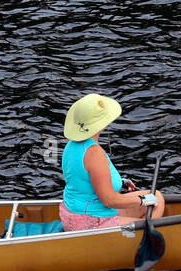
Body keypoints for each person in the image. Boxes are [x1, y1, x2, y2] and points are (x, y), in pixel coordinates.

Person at [59, 93, 165, 230]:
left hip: (72, 215)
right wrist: (143, 200)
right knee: (156, 200)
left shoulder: (72, 145)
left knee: (156, 195)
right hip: (90, 221)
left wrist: (121, 182)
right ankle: (144, 241)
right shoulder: (94, 153)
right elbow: (110, 200)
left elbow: (85, 177)